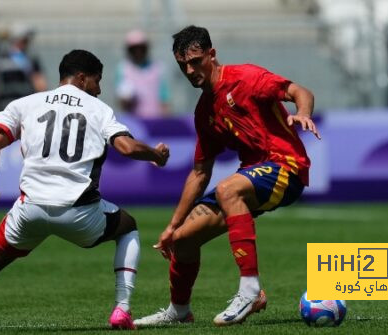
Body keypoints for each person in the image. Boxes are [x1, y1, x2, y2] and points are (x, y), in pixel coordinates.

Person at [0, 49, 170, 334]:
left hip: (30, 209)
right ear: (82, 78)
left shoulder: (26, 104)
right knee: (128, 228)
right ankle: (122, 308)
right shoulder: (99, 109)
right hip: (78, 212)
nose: (98, 88)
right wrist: (156, 155)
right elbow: (127, 147)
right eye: (97, 81)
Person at [134, 25, 320, 327]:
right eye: (183, 66)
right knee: (182, 241)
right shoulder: (204, 111)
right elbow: (199, 172)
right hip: (253, 176)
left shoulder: (246, 78)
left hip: (286, 166)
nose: (190, 70)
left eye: (196, 61)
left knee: (227, 189)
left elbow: (299, 91)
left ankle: (250, 289)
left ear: (212, 54)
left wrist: (304, 113)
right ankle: (179, 312)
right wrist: (172, 226)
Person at [0, 24, 48, 112]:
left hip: (20, 103)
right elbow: (40, 84)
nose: (27, 42)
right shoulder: (29, 58)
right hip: (13, 104)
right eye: (25, 40)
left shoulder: (2, 56)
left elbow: (40, 83)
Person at [115, 29, 170, 118]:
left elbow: (164, 97)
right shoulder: (123, 68)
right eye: (134, 49)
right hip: (134, 121)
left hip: (155, 118)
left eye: (141, 48)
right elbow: (121, 100)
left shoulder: (157, 67)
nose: (138, 52)